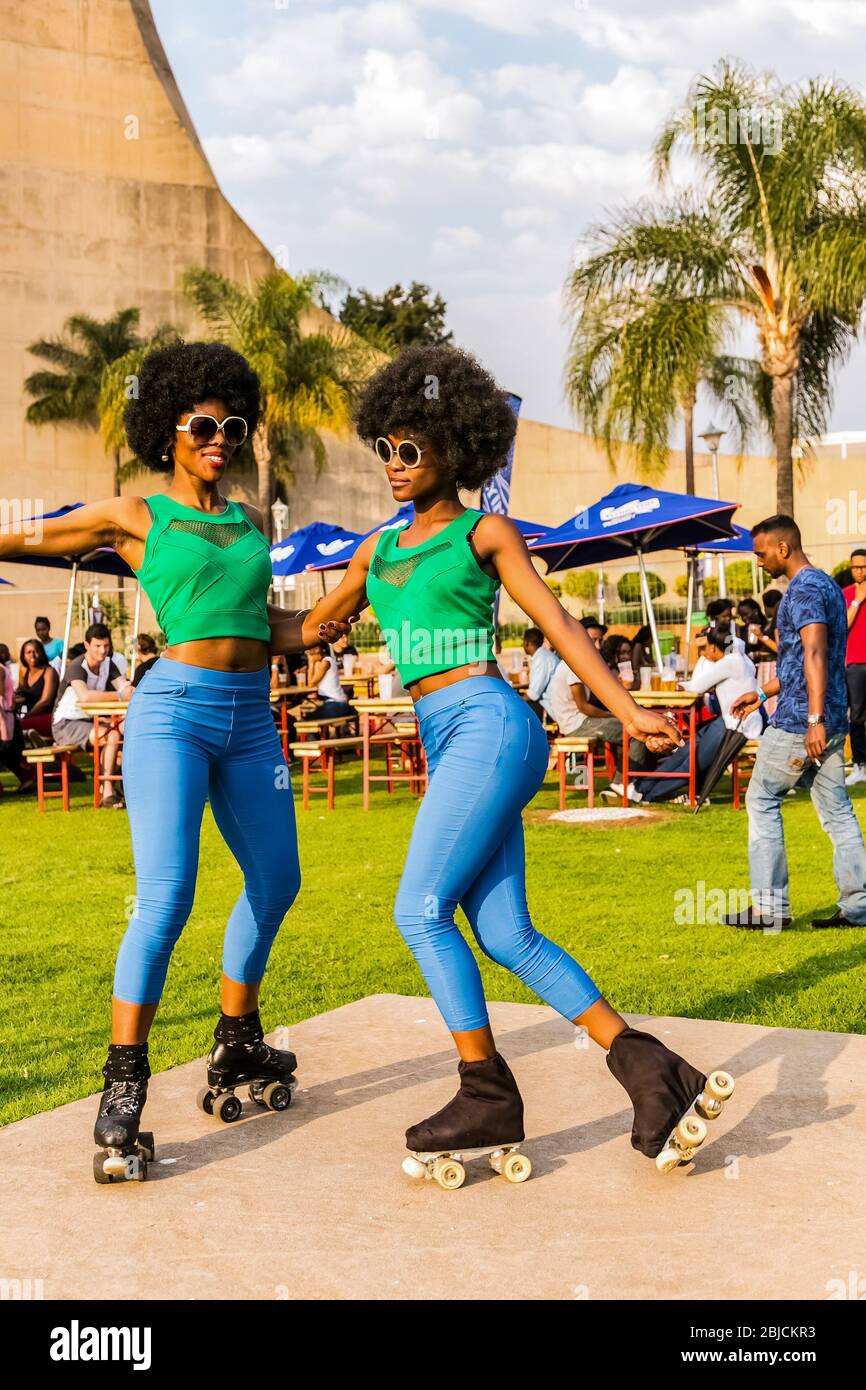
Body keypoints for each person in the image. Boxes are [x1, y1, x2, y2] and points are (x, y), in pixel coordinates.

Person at [301, 343, 731, 1173]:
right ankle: (648, 1067)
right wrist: (203, 629)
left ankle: (485, 1092)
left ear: (452, 448)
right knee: (506, 932)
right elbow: (309, 626)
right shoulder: (376, 552)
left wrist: (630, 708)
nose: (394, 464)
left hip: (489, 722)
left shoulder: (482, 531)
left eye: (411, 449)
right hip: (447, 735)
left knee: (421, 910)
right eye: (384, 448)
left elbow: (562, 627)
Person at [0, 340, 351, 1182]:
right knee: (167, 896)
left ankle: (236, 1039)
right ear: (168, 429)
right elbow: (28, 531)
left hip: (251, 719)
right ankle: (124, 1079)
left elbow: (277, 629)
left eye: (232, 424)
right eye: (202, 424)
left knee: (278, 880)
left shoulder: (243, 522)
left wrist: (348, 596)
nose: (219, 438)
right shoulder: (136, 516)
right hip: (174, 716)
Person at [726, 515, 866, 930]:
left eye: (760, 552)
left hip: (801, 723)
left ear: (783, 548)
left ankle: (770, 909)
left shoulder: (802, 589)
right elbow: (799, 661)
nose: (758, 561)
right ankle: (859, 906)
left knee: (762, 799)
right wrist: (765, 691)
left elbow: (816, 654)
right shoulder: (825, 584)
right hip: (829, 715)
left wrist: (814, 720)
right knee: (837, 811)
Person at [630, 630, 763, 803]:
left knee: (692, 763)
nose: (704, 654)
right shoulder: (740, 657)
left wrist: (678, 685)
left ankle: (649, 795)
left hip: (737, 726)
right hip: (727, 720)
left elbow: (697, 687)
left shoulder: (730, 663)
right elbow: (737, 642)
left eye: (706, 649)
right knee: (683, 751)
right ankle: (641, 787)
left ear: (715, 649)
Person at [547, 618, 647, 789]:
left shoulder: (581, 661)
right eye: (593, 640)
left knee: (631, 725)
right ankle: (624, 785)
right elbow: (584, 706)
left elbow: (596, 697)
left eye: (600, 640)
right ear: (580, 638)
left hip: (578, 721)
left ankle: (625, 782)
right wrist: (613, 714)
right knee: (635, 730)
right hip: (576, 725)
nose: (599, 645)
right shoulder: (573, 664)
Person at [51, 623, 133, 808]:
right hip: (65, 723)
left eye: (106, 646)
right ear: (87, 645)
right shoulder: (77, 666)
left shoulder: (108, 664)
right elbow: (85, 696)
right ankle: (107, 792)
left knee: (122, 734)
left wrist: (129, 690)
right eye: (97, 646)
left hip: (90, 720)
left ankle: (115, 788)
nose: (103, 650)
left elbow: (124, 686)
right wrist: (120, 695)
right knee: (112, 736)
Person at [842, 548, 866, 787]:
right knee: (856, 717)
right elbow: (843, 626)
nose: (858, 571)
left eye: (863, 567)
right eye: (855, 567)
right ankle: (859, 765)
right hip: (855, 664)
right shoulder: (846, 594)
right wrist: (858, 600)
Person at [15, 637, 59, 739]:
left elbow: (45, 701)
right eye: (28, 652)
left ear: (41, 653)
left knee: (17, 728)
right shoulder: (23, 672)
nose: (32, 655)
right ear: (23, 655)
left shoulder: (49, 672)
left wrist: (26, 717)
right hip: (30, 717)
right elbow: (21, 695)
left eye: (35, 651)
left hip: (48, 716)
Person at [305, 640, 358, 724]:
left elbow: (311, 684)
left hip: (337, 704)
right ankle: (319, 736)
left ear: (320, 650)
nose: (310, 653)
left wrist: (311, 662)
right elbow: (311, 683)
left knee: (308, 718)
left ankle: (318, 737)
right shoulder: (323, 662)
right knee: (309, 717)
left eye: (311, 651)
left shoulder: (326, 662)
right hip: (333, 703)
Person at [522, 626, 559, 720]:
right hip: (550, 704)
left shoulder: (542, 659)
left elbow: (533, 694)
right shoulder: (542, 656)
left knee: (517, 709)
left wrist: (515, 701)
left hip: (551, 708)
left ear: (527, 643)